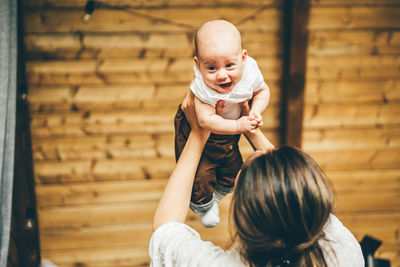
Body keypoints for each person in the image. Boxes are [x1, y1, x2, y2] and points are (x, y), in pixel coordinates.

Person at [150, 93, 364, 266]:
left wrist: (198, 134)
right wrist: (249, 126)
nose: (263, 151)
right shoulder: (342, 252)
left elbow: (166, 228)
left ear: (241, 217)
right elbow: (299, 194)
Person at [174, 19, 273, 228]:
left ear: (243, 58)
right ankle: (203, 204)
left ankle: (217, 197)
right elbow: (203, 120)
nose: (222, 75)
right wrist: (239, 126)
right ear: (197, 65)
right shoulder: (202, 88)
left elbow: (263, 91)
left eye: (229, 65)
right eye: (211, 67)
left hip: (230, 128)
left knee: (233, 167)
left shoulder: (250, 72)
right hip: (199, 127)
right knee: (200, 173)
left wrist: (254, 111)